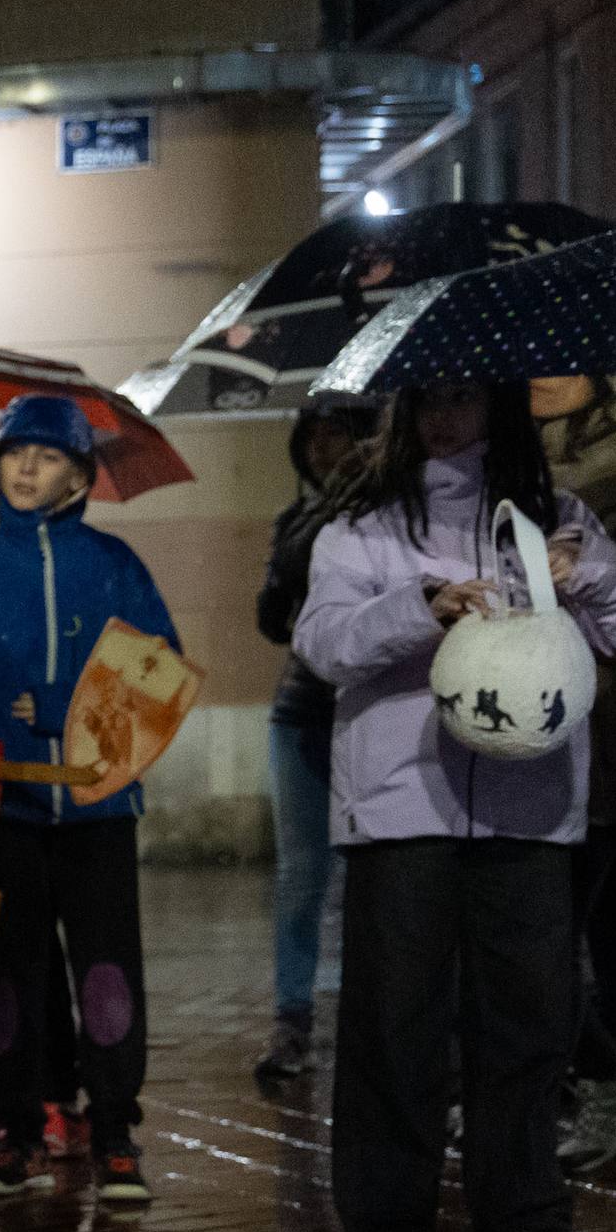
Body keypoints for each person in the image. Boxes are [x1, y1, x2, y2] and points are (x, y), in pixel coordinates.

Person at [296, 381, 616, 1232]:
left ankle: (522, 1214)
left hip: (531, 805)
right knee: (394, 1022)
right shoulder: (361, 527)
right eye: (426, 399)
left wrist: (584, 574)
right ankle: (386, 1220)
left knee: (526, 1020)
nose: (443, 417)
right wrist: (418, 606)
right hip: (401, 806)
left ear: (501, 408)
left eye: (465, 399)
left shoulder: (559, 520)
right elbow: (321, 645)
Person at [0, 397, 178, 1205]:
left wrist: (58, 712)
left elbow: (158, 671)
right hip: (1, 809)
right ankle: (18, 1131)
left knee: (107, 975)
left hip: (98, 810)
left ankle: (113, 1135)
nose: (24, 468)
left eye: (46, 458)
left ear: (78, 477)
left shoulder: (114, 565)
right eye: (14, 454)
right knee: (8, 977)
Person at [254, 409, 374, 1085]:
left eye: (342, 433)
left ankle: (369, 1020)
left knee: (369, 879)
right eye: (316, 435)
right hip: (302, 709)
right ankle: (291, 1021)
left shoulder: (390, 509)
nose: (327, 447)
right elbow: (270, 618)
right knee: (302, 877)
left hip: (370, 713)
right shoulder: (294, 518)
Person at [543, 376, 616, 1167]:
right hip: (531, 729)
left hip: (606, 727)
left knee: (580, 922)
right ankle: (555, 1086)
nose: (539, 370)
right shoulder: (476, 456)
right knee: (548, 929)